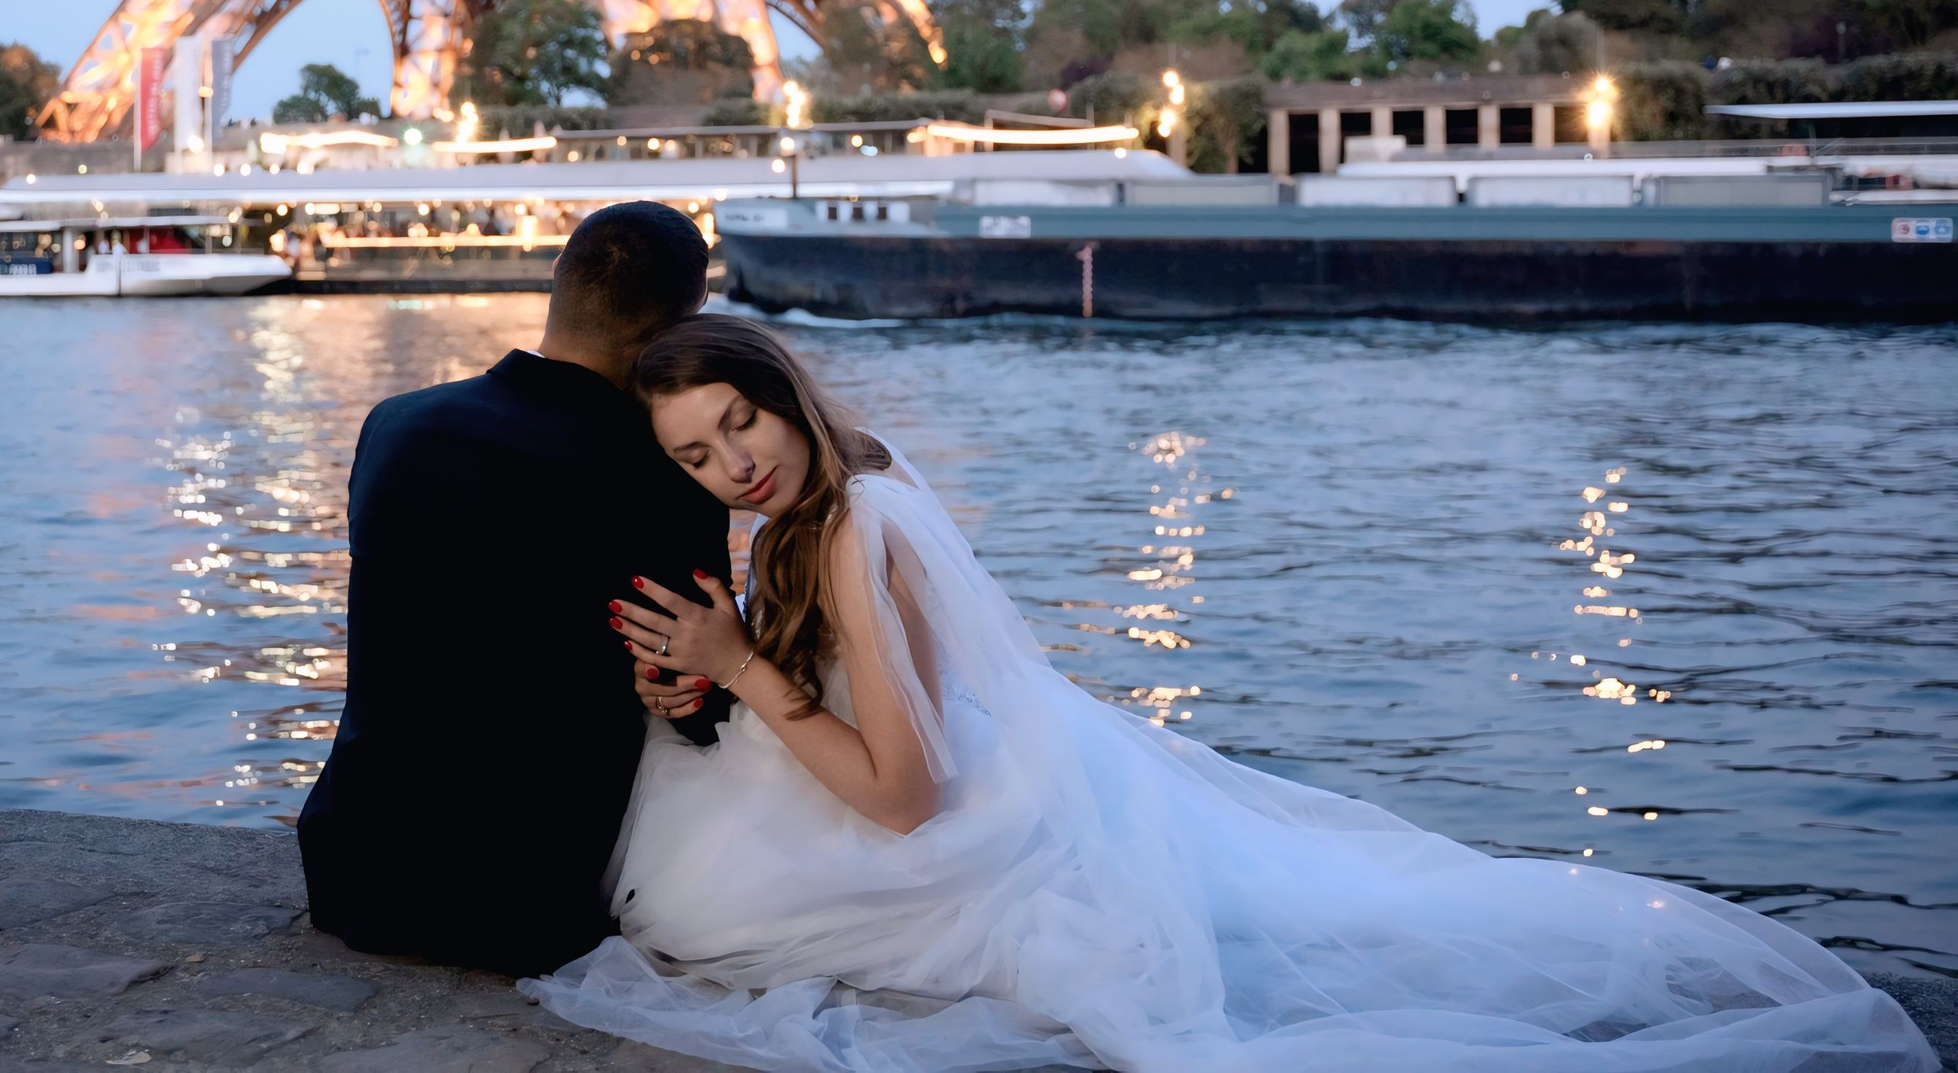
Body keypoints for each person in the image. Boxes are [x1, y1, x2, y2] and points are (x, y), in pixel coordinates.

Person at [526, 316, 1935, 1073]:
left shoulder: (838, 531)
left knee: (690, 909)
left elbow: (904, 796)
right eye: (698, 457)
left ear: (779, 389)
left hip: (934, 822)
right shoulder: (854, 483)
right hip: (999, 774)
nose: (734, 465)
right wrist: (724, 662)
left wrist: (740, 669)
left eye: (740, 423)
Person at [299, 201, 739, 976]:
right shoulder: (668, 473)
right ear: (671, 334)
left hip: (355, 866)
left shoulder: (395, 423)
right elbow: (695, 700)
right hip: (530, 893)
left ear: (558, 282)